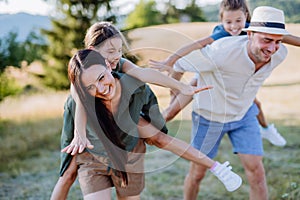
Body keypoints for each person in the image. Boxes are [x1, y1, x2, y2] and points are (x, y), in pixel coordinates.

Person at [50, 22, 212, 200]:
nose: (117, 56)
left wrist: (181, 86)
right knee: (68, 173)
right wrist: (79, 133)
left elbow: (144, 74)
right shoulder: (82, 72)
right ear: (92, 50)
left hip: (119, 127)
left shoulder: (119, 64)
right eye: (111, 51)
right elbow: (79, 101)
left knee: (149, 135)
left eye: (120, 50)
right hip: (82, 124)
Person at [152, 6, 292, 200]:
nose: (272, 48)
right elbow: (178, 65)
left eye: (277, 42)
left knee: (257, 174)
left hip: (244, 115)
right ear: (249, 34)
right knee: (197, 174)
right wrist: (175, 92)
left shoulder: (280, 53)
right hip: (209, 118)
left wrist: (275, 42)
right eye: (266, 40)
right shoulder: (220, 52)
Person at [63, 48, 242, 199]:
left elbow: (161, 138)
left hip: (129, 156)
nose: (100, 89)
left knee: (158, 138)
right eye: (90, 87)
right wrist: (79, 135)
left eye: (102, 78)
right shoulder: (80, 102)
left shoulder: (132, 87)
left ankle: (217, 167)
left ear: (109, 65)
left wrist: (183, 88)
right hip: (96, 160)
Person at [150, 0, 300, 147]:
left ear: (246, 17)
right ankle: (147, 130)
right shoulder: (221, 33)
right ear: (221, 20)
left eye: (238, 21)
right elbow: (195, 45)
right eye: (228, 22)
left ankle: (267, 129)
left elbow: (286, 37)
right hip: (208, 73)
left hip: (235, 79)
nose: (234, 27)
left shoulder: (253, 29)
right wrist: (171, 61)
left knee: (255, 104)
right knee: (172, 110)